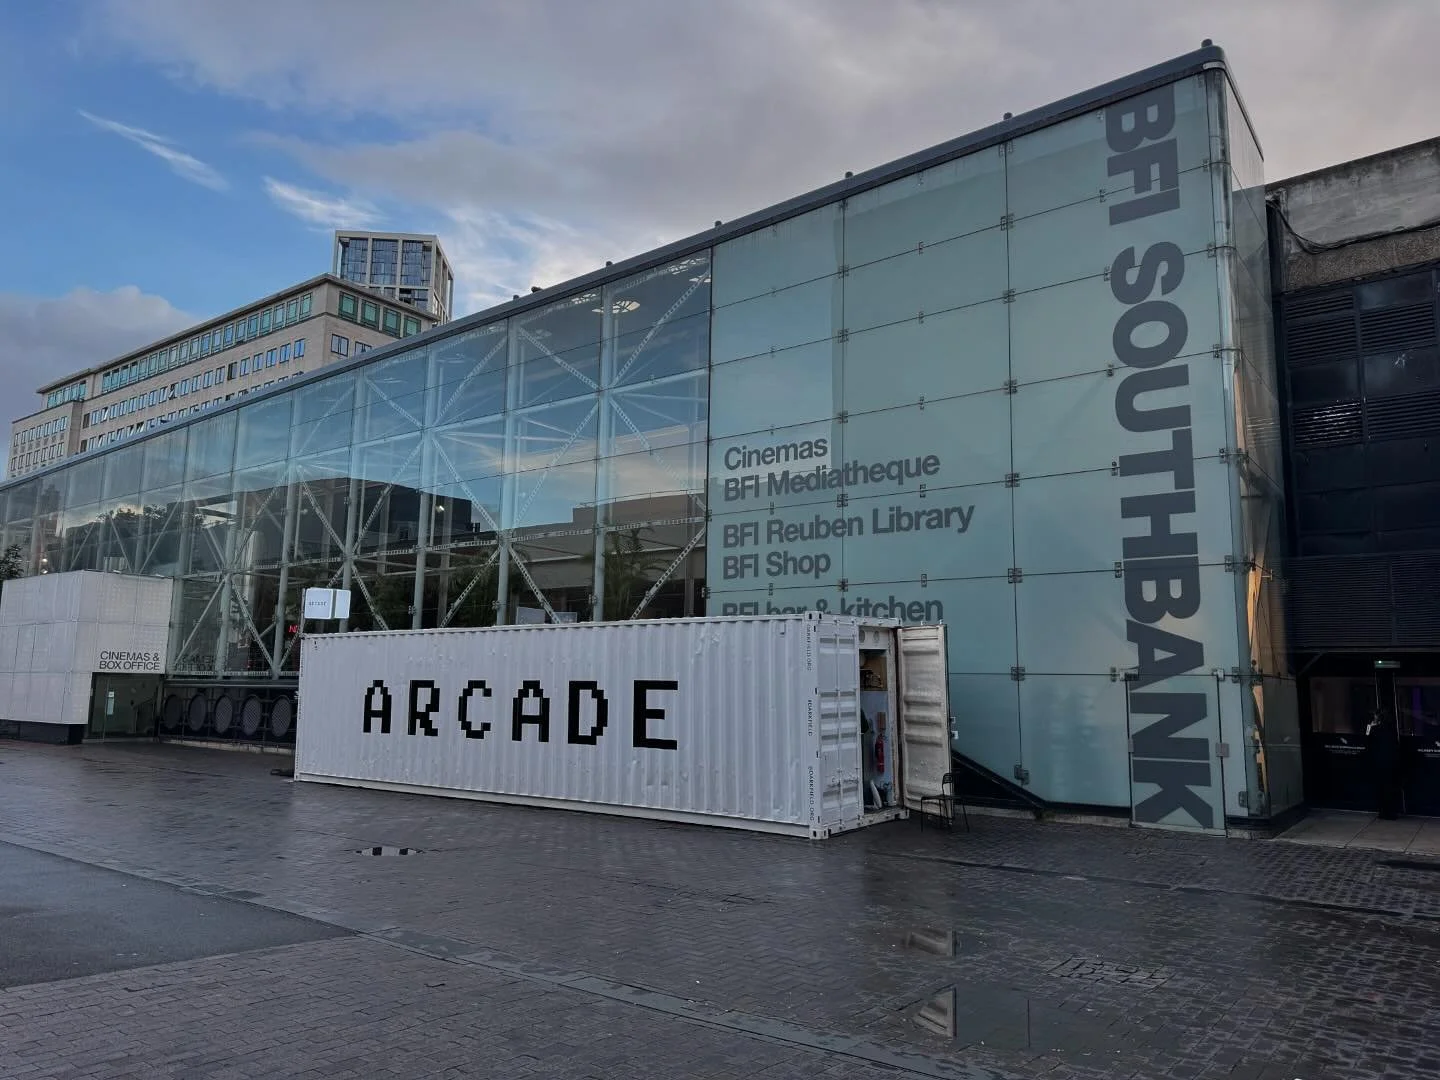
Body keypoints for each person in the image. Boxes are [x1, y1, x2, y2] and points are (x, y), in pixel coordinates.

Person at [1368, 708, 1402, 820]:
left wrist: (1370, 726)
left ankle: (1383, 811)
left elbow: (1368, 743)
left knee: (1381, 787)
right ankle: (1391, 812)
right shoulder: (1391, 730)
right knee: (1390, 786)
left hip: (1379, 762)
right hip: (1391, 762)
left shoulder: (1375, 729)